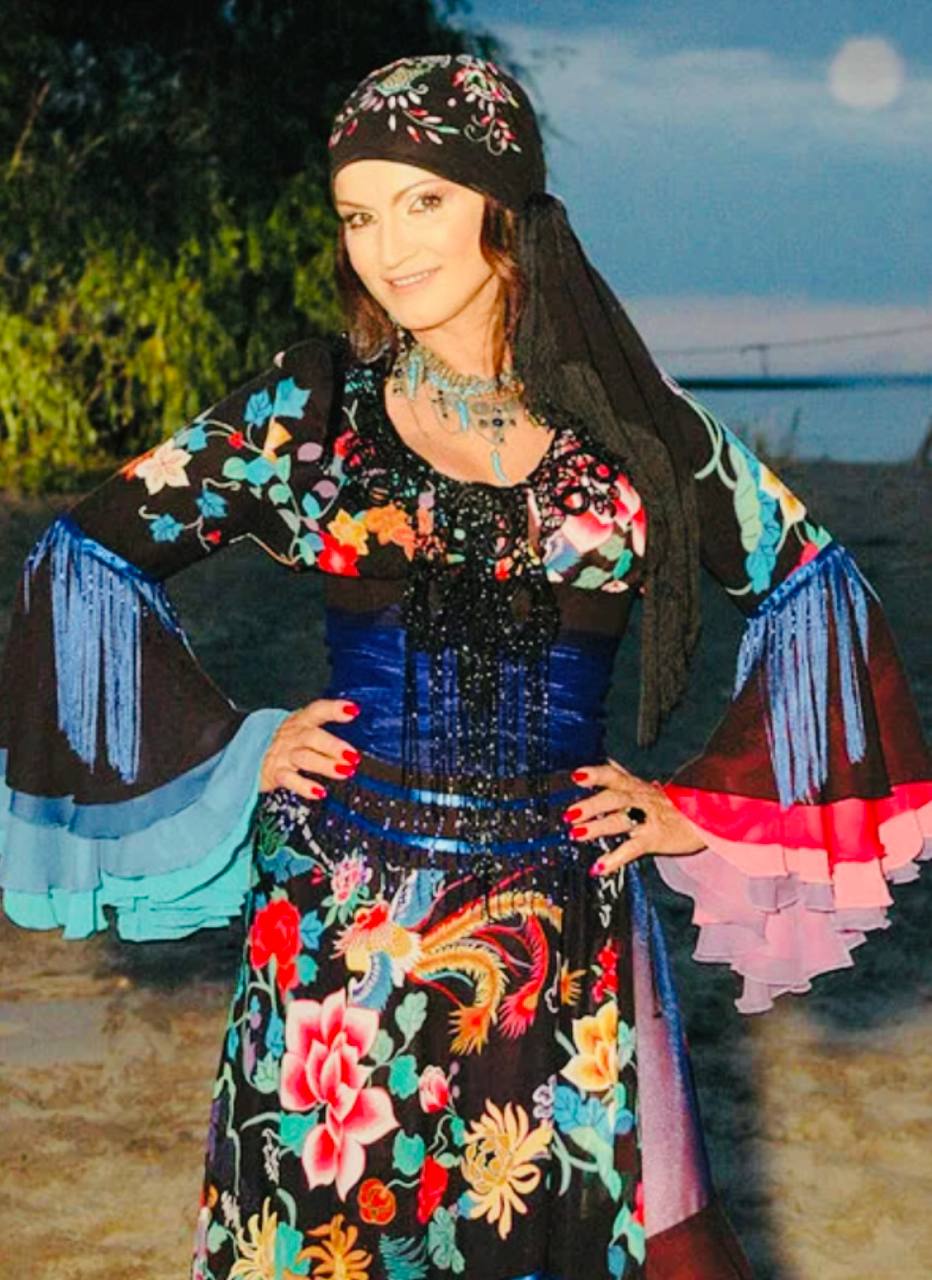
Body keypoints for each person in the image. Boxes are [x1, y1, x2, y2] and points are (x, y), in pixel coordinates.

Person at [1, 52, 929, 1280]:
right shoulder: (311, 417)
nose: (386, 247)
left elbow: (811, 582)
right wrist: (239, 747)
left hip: (560, 942)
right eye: (357, 215)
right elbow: (84, 557)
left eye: (421, 200)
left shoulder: (633, 436)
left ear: (502, 204)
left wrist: (693, 809)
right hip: (339, 940)